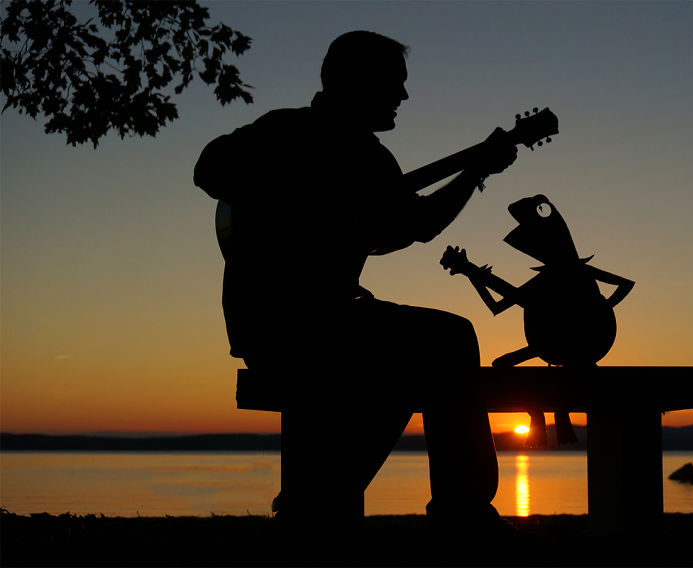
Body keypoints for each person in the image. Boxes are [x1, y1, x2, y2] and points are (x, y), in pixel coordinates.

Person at [193, 30, 518, 543]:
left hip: (273, 324)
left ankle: (319, 497)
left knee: (412, 357)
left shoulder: (360, 156)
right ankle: (463, 512)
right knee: (451, 340)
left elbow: (401, 227)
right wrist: (474, 173)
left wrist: (471, 170)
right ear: (361, 83)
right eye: (396, 84)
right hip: (299, 325)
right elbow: (208, 168)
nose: (404, 97)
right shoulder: (290, 132)